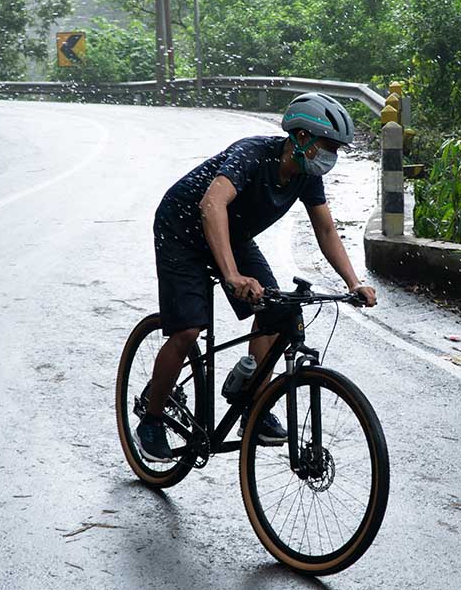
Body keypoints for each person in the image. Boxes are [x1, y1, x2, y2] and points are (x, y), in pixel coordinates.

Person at [135, 92, 378, 463]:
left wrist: (353, 283)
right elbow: (211, 204)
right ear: (300, 138)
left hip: (233, 234)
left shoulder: (306, 176)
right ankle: (151, 418)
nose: (332, 156)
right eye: (327, 146)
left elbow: (326, 231)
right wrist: (231, 274)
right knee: (187, 329)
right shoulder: (252, 154)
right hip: (182, 230)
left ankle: (254, 406)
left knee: (277, 311)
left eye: (337, 149)